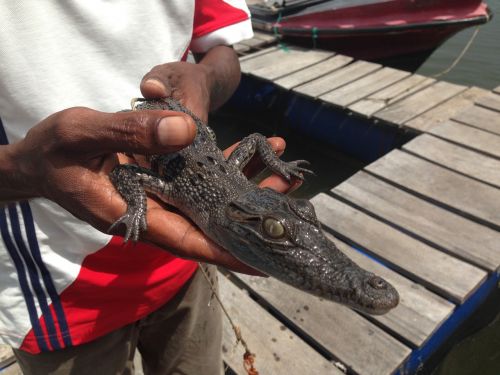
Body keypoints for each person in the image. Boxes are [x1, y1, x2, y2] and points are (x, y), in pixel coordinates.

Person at [0, 2, 294, 374]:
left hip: (189, 263)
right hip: (56, 293)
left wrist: (204, 77)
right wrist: (23, 170)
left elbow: (223, 53)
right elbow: (127, 176)